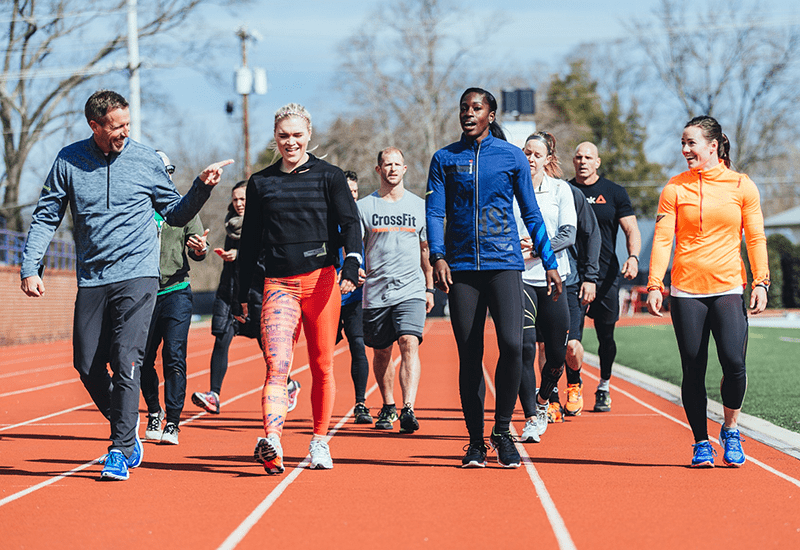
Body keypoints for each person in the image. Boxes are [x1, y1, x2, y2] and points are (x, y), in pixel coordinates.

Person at [19, 90, 232, 481]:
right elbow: (47, 215)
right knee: (86, 365)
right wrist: (31, 267)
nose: (125, 132)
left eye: (128, 124)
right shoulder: (69, 160)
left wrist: (202, 187)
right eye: (117, 127)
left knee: (126, 357)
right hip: (94, 277)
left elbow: (175, 213)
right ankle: (127, 425)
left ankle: (119, 448)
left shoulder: (146, 160)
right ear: (95, 126)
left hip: (138, 274)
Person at [426, 88, 561, 469]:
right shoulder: (444, 159)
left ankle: (503, 431)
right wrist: (438, 256)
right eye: (463, 109)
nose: (468, 114)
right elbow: (435, 213)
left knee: (513, 346)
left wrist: (549, 262)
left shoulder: (512, 157)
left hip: (505, 264)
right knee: (469, 355)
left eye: (476, 108)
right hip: (462, 269)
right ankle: (474, 442)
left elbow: (531, 212)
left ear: (491, 113)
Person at [236, 103, 362, 474]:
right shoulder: (261, 183)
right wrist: (243, 292)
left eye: (296, 134)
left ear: (309, 134)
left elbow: (350, 225)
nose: (290, 142)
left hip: (322, 282)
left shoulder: (330, 176)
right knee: (277, 365)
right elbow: (249, 244)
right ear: (275, 138)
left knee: (322, 364)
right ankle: (272, 440)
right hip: (278, 285)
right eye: (283, 136)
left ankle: (319, 441)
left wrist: (351, 263)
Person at [646, 115, 769, 468]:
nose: (685, 150)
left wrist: (761, 280)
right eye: (683, 144)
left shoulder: (742, 186)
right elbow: (664, 239)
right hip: (686, 291)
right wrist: (655, 283)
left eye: (691, 143)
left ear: (713, 146)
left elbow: (756, 237)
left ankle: (730, 428)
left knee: (734, 363)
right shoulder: (674, 188)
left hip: (729, 286)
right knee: (693, 369)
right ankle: (701, 441)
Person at [191, 182, 302, 416]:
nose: (239, 204)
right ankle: (214, 395)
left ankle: (289, 384)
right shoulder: (231, 225)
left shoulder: (266, 224)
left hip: (257, 294)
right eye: (235, 200)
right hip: (229, 292)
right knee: (221, 338)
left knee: (268, 347)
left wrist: (240, 256)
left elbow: (269, 259)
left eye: (243, 199)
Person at [358, 147, 434, 433]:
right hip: (376, 291)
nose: (392, 168)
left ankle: (408, 409)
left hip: (410, 289)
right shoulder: (364, 207)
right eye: (386, 164)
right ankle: (388, 404)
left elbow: (425, 252)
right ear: (378, 170)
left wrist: (429, 288)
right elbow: (353, 246)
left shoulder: (418, 207)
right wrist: (356, 267)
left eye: (397, 164)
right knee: (381, 352)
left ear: (404, 169)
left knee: (409, 342)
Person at [140, 151, 209, 445]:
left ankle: (173, 422)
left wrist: (199, 248)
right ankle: (154, 412)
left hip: (176, 291)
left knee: (174, 356)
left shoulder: (183, 207)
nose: (164, 175)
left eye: (168, 170)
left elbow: (199, 251)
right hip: (142, 294)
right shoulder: (137, 207)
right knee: (142, 360)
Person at [513, 132, 576, 442]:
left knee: (555, 354)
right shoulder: (512, 190)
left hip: (553, 279)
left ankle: (543, 399)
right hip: (520, 279)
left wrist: (539, 248)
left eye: (537, 154)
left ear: (548, 159)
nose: (530, 158)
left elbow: (568, 234)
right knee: (524, 349)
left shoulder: (560, 190)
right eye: (526, 152)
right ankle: (530, 416)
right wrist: (515, 246)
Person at [569, 142, 641, 412]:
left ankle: (604, 386)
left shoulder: (614, 192)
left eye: (588, 157)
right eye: (578, 157)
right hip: (574, 276)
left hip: (606, 276)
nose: (583, 161)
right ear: (573, 161)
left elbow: (631, 229)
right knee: (570, 339)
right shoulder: (565, 190)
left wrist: (633, 257)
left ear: (597, 162)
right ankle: (574, 386)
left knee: (605, 337)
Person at [560, 179, 601, 417]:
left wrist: (590, 278)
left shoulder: (569, 193)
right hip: (536, 279)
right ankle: (551, 398)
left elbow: (591, 235)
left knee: (572, 346)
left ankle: (574, 383)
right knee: (544, 345)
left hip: (572, 280)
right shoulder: (523, 189)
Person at [338, 170, 372, 424]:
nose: (351, 196)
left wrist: (364, 272)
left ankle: (361, 403)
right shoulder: (328, 217)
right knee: (321, 354)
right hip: (327, 296)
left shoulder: (364, 217)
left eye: (354, 192)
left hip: (355, 297)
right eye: (346, 191)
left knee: (358, 346)